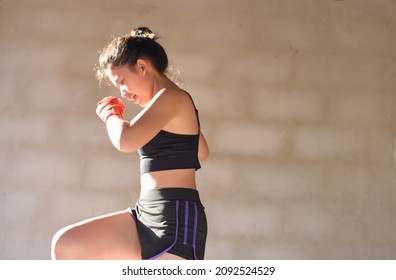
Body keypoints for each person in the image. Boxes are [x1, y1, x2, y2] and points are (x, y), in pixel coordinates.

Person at [51, 27, 209, 260]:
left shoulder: (173, 97)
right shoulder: (168, 104)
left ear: (142, 67)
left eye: (122, 81)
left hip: (176, 218)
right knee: (67, 244)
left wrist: (110, 113)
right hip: (145, 212)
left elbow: (125, 140)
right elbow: (201, 152)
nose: (123, 92)